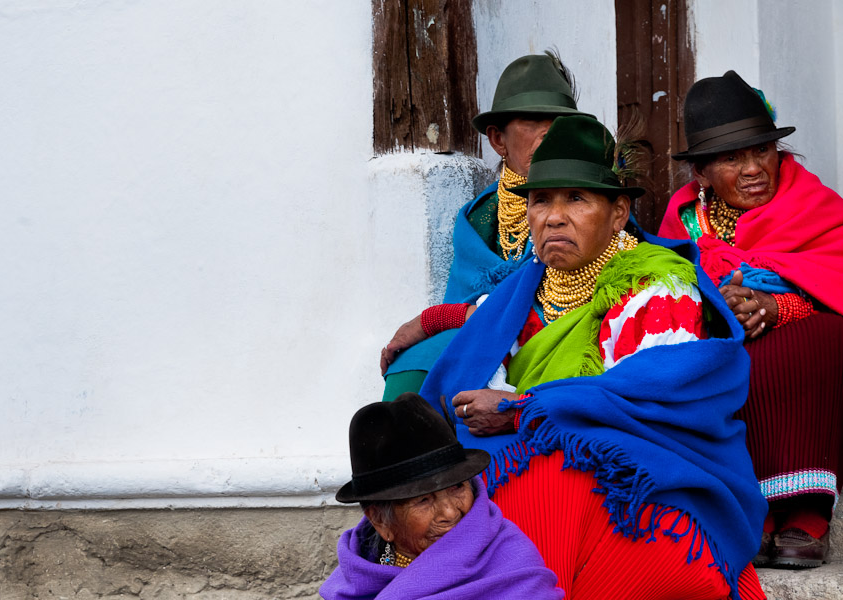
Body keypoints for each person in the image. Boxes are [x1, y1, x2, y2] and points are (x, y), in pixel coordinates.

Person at [418, 115, 767, 600]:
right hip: (540, 455)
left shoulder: (658, 286)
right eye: (541, 200)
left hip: (648, 475)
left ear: (619, 213)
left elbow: (647, 400)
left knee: (551, 479)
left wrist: (521, 407)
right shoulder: (521, 291)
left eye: (576, 199)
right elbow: (466, 354)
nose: (553, 217)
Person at [658, 70, 843, 569]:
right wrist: (720, 309)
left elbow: (837, 273)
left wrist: (782, 306)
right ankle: (749, 510)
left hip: (805, 345)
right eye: (730, 158)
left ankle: (807, 512)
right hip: (723, 341)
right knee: (705, 357)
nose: (753, 169)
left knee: (825, 337)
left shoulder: (815, 206)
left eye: (761, 151)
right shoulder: (682, 221)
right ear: (700, 173)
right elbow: (665, 290)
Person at [381, 52, 591, 401]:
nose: (548, 134)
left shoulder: (596, 201)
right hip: (485, 334)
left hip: (562, 336)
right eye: (532, 121)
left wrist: (432, 320)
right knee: (415, 363)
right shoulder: (479, 217)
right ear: (497, 140)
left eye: (558, 121)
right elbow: (466, 304)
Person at [321, 392, 564, 600]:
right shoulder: (358, 573)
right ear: (380, 521)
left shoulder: (509, 560)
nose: (450, 512)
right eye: (423, 500)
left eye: (457, 487)